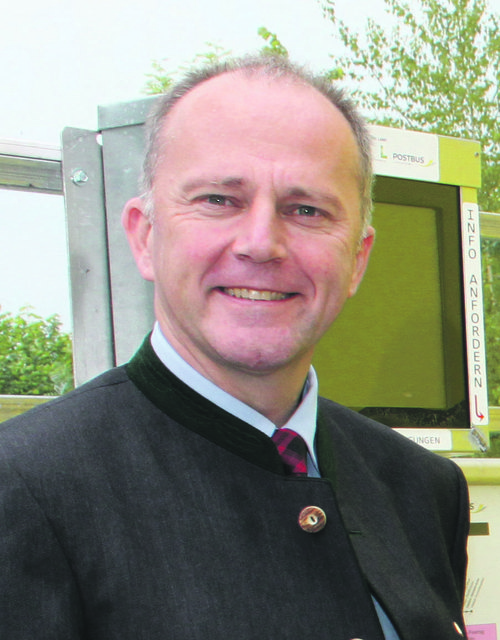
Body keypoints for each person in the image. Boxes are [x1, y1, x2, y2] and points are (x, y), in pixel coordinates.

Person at [0, 56, 469, 640]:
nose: (261, 243)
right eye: (219, 200)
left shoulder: (422, 488)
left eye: (307, 210)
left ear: (357, 259)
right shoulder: (26, 486)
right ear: (145, 236)